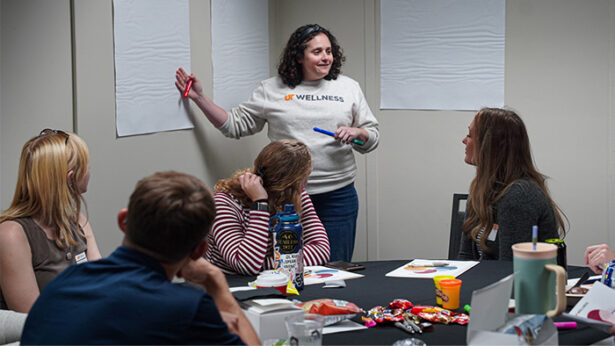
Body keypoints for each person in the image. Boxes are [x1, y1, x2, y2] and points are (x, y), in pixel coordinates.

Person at [176, 24, 379, 262]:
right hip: (285, 198)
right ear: (299, 57)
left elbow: (371, 137)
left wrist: (359, 133)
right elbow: (234, 125)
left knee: (334, 269)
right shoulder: (271, 89)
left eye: (329, 51)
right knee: (284, 266)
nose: (326, 58)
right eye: (317, 52)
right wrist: (200, 98)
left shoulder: (348, 87)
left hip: (337, 197)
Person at [21, 171, 259, 345]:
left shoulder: (64, 284)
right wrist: (216, 284)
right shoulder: (187, 309)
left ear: (123, 221)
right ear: (198, 251)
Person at [0, 129, 101, 312]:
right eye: (87, 165)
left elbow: (101, 285)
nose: (89, 170)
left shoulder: (78, 221)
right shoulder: (11, 235)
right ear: (70, 178)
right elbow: (32, 319)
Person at [206, 140, 330, 275]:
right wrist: (259, 204)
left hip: (273, 278)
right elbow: (246, 265)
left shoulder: (297, 196)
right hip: (229, 283)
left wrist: (266, 264)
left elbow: (321, 250)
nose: (305, 184)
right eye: (305, 178)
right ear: (295, 183)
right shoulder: (224, 202)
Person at [458, 108, 567, 261]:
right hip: (488, 281)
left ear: (489, 146)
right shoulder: (480, 189)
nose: (464, 140)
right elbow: (466, 258)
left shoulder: (519, 196)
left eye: (470, 135)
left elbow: (510, 270)